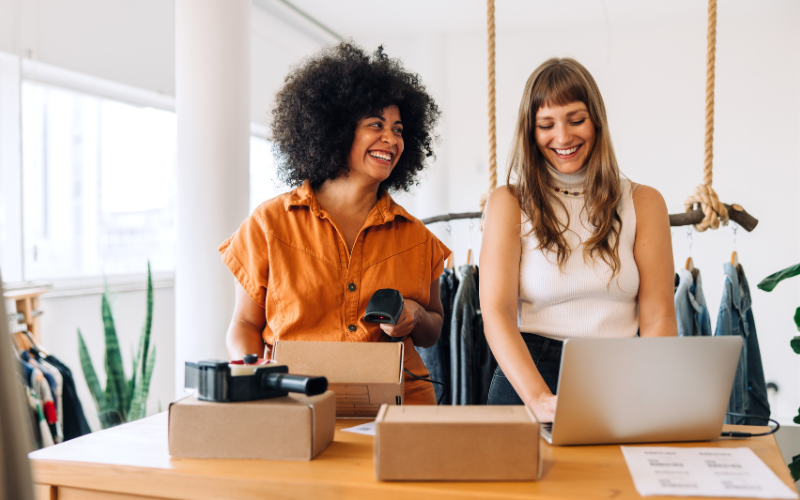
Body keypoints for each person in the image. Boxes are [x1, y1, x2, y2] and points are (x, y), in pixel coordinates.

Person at [220, 43, 447, 405]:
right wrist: (257, 380)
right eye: (376, 124)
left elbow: (432, 329)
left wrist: (415, 315)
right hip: (294, 400)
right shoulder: (268, 224)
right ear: (338, 129)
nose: (391, 139)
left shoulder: (417, 238)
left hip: (396, 406)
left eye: (399, 129)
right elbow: (245, 324)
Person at [480, 58, 678, 422]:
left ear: (596, 122)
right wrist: (539, 398)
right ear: (530, 131)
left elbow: (660, 317)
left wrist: (651, 385)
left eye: (576, 120)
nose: (563, 137)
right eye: (546, 125)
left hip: (623, 369)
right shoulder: (509, 203)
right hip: (531, 374)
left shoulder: (644, 202)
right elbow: (497, 313)